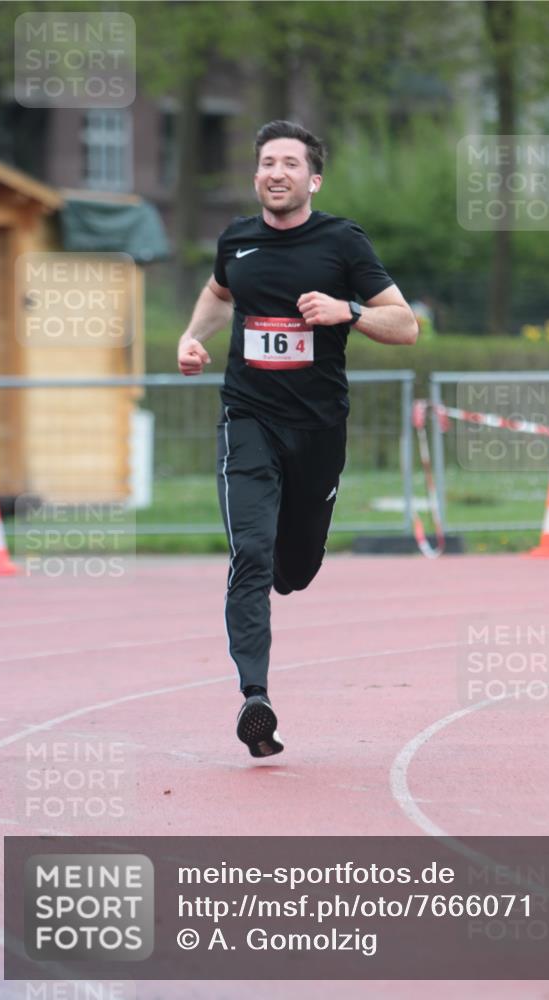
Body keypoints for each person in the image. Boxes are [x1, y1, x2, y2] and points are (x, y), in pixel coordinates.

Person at [178, 120, 418, 758]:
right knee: (250, 553)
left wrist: (349, 311)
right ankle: (254, 697)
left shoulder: (341, 242)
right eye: (266, 163)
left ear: (313, 180)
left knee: (297, 569)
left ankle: (291, 565)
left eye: (289, 163)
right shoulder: (237, 240)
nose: (276, 173)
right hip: (247, 419)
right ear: (256, 175)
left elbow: (406, 326)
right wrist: (192, 337)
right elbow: (218, 292)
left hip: (317, 431)